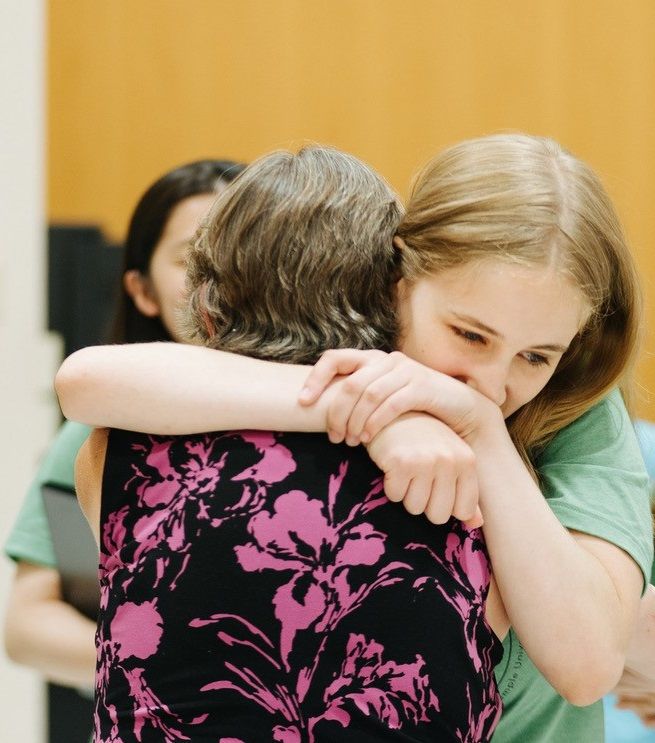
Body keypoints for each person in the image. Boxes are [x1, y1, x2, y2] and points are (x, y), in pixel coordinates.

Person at [56, 134, 655, 742]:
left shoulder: (570, 409)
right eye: (469, 335)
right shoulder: (176, 415)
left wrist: (480, 433)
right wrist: (363, 409)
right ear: (394, 282)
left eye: (536, 356)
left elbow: (589, 661)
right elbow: (87, 381)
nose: (494, 383)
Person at [3, 158, 245, 690]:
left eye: (242, 255)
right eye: (192, 261)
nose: (220, 283)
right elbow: (26, 624)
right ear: (142, 290)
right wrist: (169, 671)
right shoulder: (95, 433)